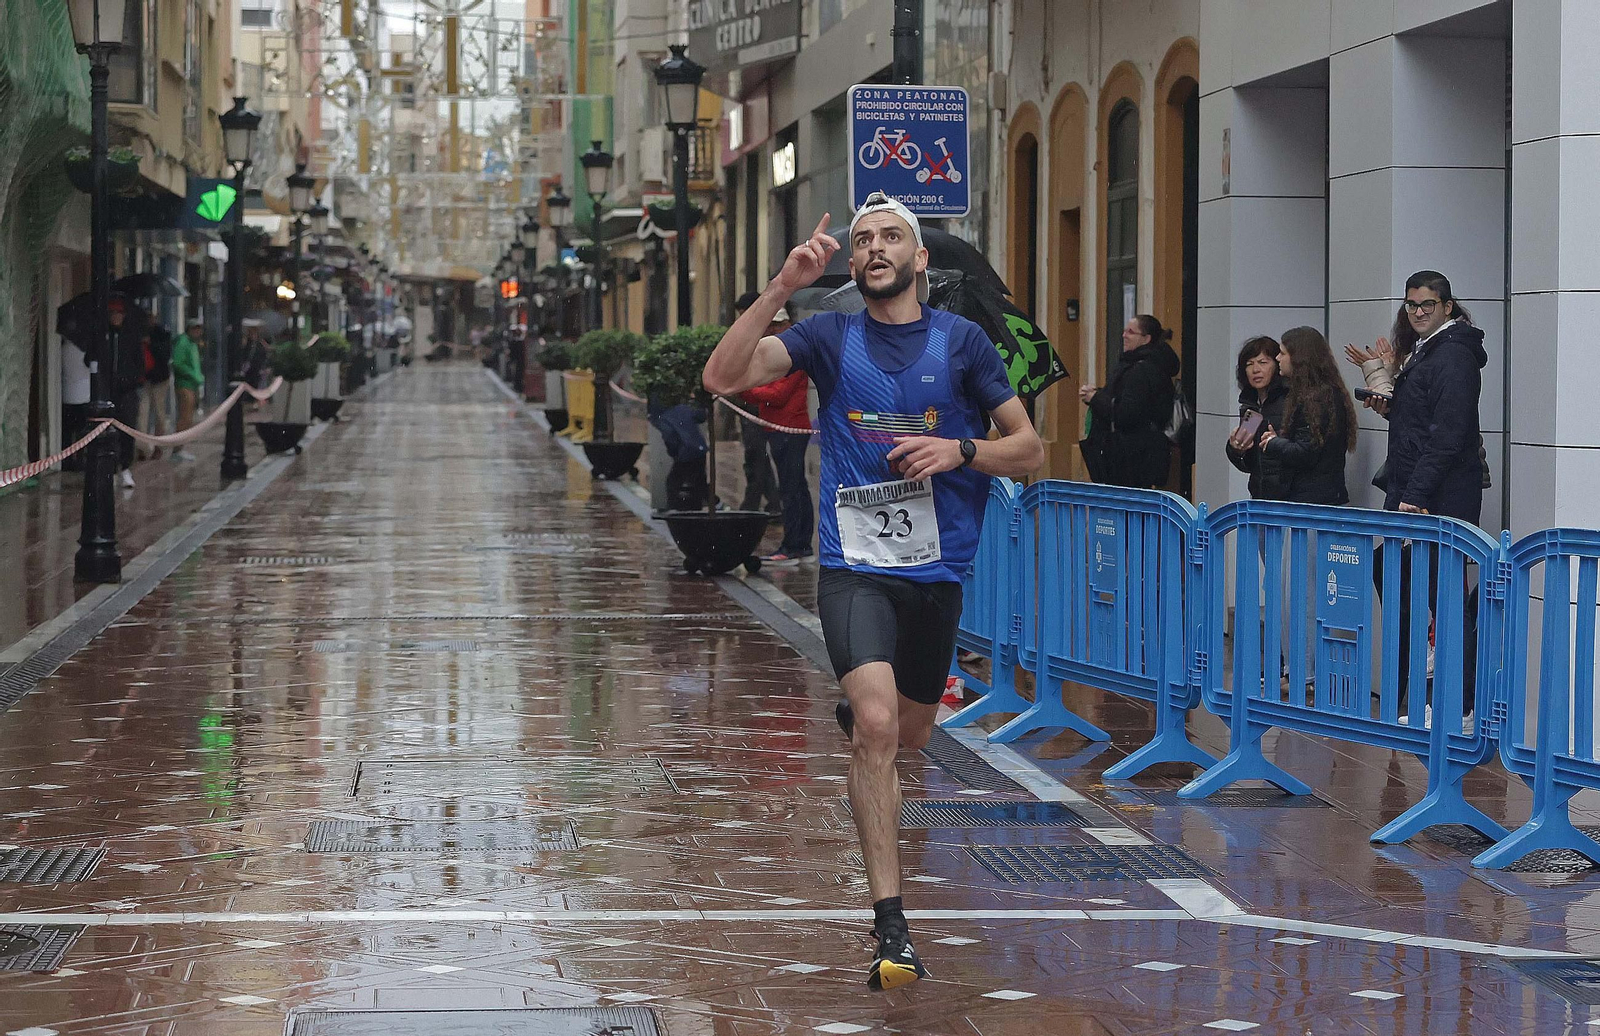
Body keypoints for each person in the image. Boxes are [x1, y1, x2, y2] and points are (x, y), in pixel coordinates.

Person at [703, 195, 1044, 990]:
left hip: (936, 574)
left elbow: (1027, 450)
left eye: (891, 237)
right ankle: (892, 925)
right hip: (854, 568)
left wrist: (959, 449)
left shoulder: (962, 343)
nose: (876, 248)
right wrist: (783, 285)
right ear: (852, 264)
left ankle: (873, 705)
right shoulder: (829, 334)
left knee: (914, 734)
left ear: (920, 260)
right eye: (863, 241)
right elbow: (722, 376)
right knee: (879, 728)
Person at [1362, 270, 1486, 721]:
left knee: (1444, 601)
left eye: (1427, 305)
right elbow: (1424, 423)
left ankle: (1457, 704)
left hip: (1438, 498)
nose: (1417, 313)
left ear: (1447, 307)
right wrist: (1390, 405)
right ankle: (1437, 695)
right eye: (1411, 305)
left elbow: (1448, 436)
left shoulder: (1452, 356)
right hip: (1422, 493)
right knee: (1423, 592)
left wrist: (1414, 495)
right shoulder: (1429, 351)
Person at [743, 306, 814, 565]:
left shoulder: (795, 355)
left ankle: (795, 545)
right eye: (771, 325)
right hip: (778, 427)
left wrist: (747, 390)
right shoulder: (779, 352)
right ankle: (799, 545)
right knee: (795, 487)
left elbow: (777, 394)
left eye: (778, 324)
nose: (773, 329)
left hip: (790, 429)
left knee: (792, 488)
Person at [1078, 314, 1180, 488]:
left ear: (1146, 338)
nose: (1124, 335)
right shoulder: (1143, 365)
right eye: (1125, 331)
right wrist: (1098, 394)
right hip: (1139, 456)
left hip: (1133, 459)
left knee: (1130, 510)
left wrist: (1095, 399)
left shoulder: (1142, 370)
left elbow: (1127, 413)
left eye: (1131, 332)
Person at [1257, 327, 1355, 504]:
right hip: (1316, 495)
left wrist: (1273, 443)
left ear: (1298, 358)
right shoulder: (1322, 392)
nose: (1278, 358)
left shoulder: (1315, 397)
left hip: (1311, 501)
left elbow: (1306, 452)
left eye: (1282, 353)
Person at [733, 292, 782, 518]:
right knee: (756, 456)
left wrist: (746, 390)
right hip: (752, 404)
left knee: (755, 456)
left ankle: (752, 505)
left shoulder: (763, 337)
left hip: (760, 405)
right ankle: (772, 503)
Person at [1224, 336, 1286, 500]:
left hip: (1287, 498)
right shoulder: (1251, 405)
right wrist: (1236, 450)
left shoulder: (1288, 401)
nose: (1255, 370)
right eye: (1249, 364)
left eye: (1263, 362)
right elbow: (1249, 463)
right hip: (1259, 495)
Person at [109, 298, 145, 488]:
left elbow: (140, 364)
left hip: (127, 393)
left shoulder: (131, 337)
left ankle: (125, 467)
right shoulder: (104, 337)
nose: (116, 317)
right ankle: (111, 468)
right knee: (107, 432)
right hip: (108, 393)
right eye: (113, 314)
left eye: (118, 314)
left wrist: (129, 380)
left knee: (127, 429)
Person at [170, 320, 205, 462]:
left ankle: (180, 447)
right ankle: (177, 449)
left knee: (188, 418)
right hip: (185, 384)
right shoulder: (183, 343)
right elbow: (178, 364)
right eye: (195, 328)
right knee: (185, 418)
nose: (198, 332)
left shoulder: (192, 344)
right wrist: (193, 375)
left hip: (192, 384)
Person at [138, 322, 174, 460]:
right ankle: (142, 447)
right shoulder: (138, 333)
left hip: (159, 380)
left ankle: (158, 446)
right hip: (145, 379)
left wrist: (151, 344)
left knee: (159, 413)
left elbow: (164, 355)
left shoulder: (162, 334)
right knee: (143, 413)